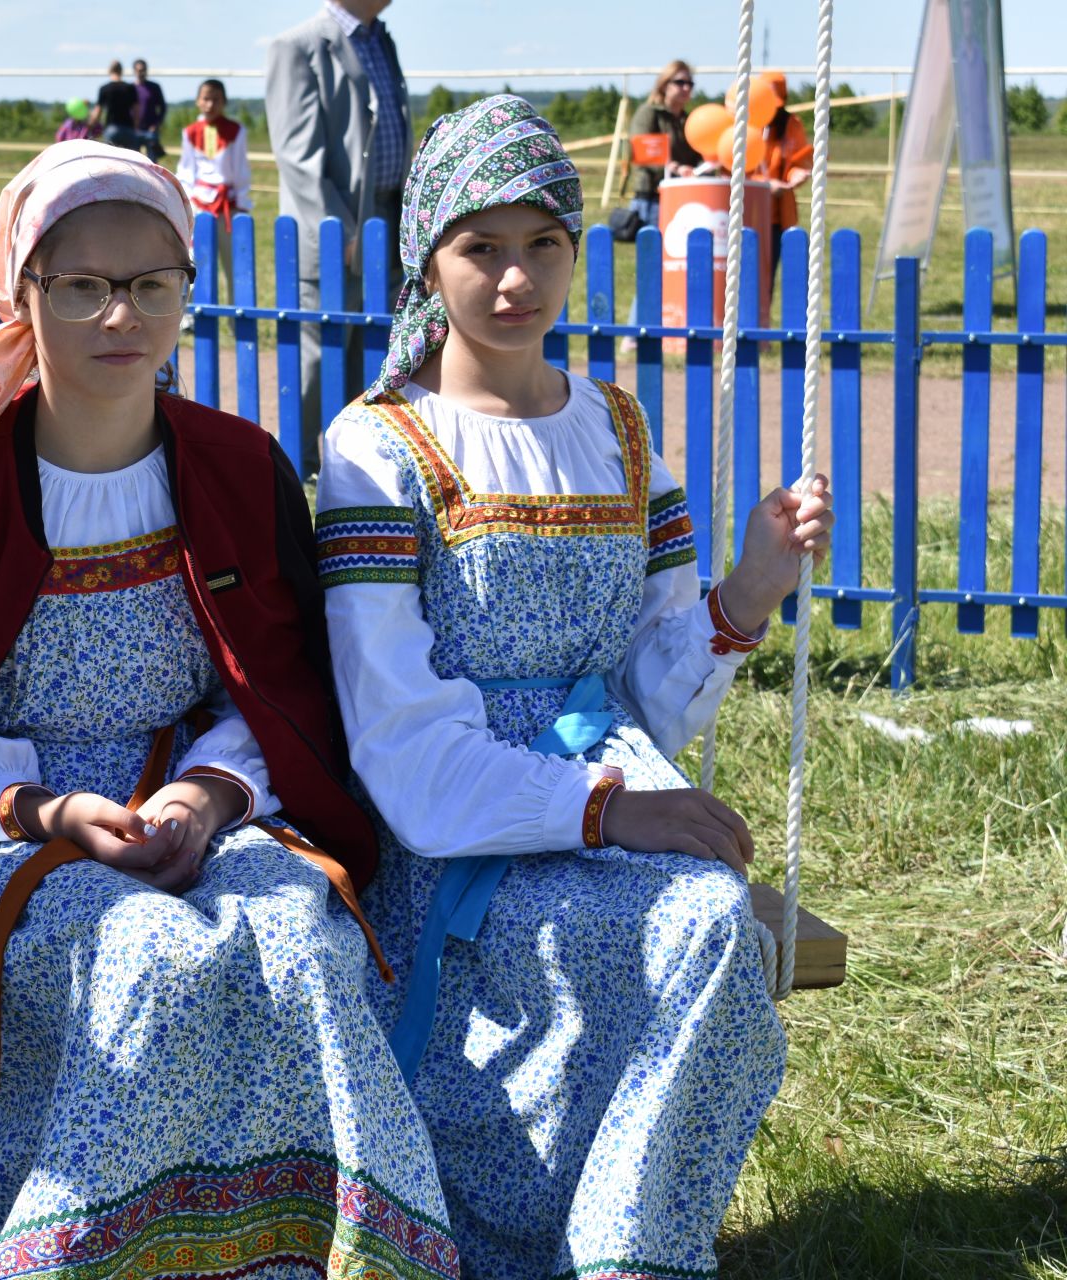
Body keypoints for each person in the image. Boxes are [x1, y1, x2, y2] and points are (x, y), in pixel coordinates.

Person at [0, 140, 458, 1280]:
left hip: (192, 803)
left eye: (152, 283)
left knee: (297, 939)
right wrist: (46, 810)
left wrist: (206, 795)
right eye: (84, 285)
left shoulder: (238, 468)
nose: (121, 315)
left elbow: (278, 685)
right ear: (25, 293)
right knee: (146, 952)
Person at [316, 95, 831, 1280]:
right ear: (426, 259)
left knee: (704, 918)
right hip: (453, 825)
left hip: (608, 774)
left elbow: (651, 689)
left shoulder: (617, 425)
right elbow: (397, 737)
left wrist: (750, 586)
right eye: (479, 246)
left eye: (543, 242)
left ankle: (622, 1244)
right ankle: (614, 1251)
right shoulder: (380, 445)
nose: (515, 278)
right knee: (702, 925)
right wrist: (606, 809)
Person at [265, 0, 409, 474]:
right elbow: (298, 157)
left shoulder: (380, 38)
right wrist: (342, 232)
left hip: (385, 222)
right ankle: (292, 468)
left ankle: (355, 464)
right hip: (337, 231)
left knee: (369, 348)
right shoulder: (298, 46)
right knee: (320, 353)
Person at [174, 77, 251, 309]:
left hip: (228, 207)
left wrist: (241, 200)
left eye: (216, 99)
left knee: (234, 264)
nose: (210, 105)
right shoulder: (191, 132)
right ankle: (191, 315)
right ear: (198, 101)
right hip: (200, 206)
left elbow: (240, 170)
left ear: (224, 102)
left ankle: (237, 316)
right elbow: (186, 170)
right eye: (206, 99)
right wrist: (187, 203)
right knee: (195, 262)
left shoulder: (235, 131)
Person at [749, 71, 813, 282]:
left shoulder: (792, 125)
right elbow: (734, 172)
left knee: (768, 279)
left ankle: (763, 315)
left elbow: (797, 160)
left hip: (779, 217)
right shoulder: (745, 126)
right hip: (748, 215)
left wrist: (798, 174)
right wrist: (765, 185)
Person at [627, 60, 701, 228]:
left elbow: (698, 154)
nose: (686, 88)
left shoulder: (689, 120)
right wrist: (674, 168)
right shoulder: (649, 112)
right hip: (652, 197)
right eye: (680, 82)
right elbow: (640, 151)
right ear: (664, 84)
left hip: (684, 194)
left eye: (690, 83)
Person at [91, 59, 144, 154]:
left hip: (111, 128)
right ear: (121, 71)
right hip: (128, 128)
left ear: (110, 71)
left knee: (112, 160)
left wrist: (91, 125)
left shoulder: (104, 88)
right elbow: (136, 110)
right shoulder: (130, 88)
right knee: (132, 160)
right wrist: (135, 126)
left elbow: (98, 112)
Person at [130, 57, 166, 160]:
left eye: (143, 70)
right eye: (138, 70)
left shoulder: (154, 87)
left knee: (152, 164)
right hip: (134, 131)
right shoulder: (130, 88)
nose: (140, 73)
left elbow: (163, 107)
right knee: (134, 162)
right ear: (134, 71)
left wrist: (156, 124)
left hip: (151, 131)